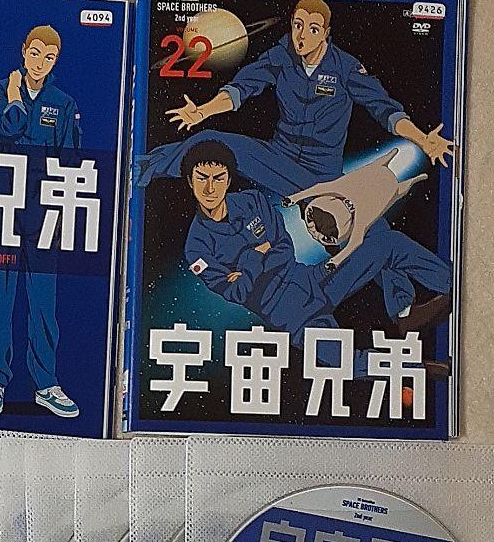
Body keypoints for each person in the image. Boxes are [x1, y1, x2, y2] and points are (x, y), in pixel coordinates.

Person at [144, 0, 454, 325]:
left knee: (377, 237)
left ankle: (416, 303)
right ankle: (143, 170)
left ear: (326, 33)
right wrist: (203, 111)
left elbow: (385, 109)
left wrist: (422, 139)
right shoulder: (280, 56)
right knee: (213, 140)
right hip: (278, 160)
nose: (301, 35)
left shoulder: (346, 68)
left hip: (322, 176)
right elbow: (243, 87)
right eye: (297, 25)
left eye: (312, 28)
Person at [182, 140, 451, 371]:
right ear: (190, 181)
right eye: (202, 178)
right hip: (292, 316)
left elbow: (282, 248)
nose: (210, 188)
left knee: (388, 243)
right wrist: (256, 254)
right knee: (342, 362)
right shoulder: (196, 247)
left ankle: (451, 287)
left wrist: (248, 269)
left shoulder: (252, 200)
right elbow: (237, 292)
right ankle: (415, 370)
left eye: (218, 178)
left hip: (315, 279)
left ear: (229, 179)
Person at [0, 24, 81, 419]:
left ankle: (46, 383)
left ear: (56, 61)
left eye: (49, 57)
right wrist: (13, 93)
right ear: (23, 51)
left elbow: (70, 157)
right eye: (35, 53)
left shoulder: (63, 102)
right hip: (2, 204)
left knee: (43, 300)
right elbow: (8, 126)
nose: (40, 62)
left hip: (44, 209)